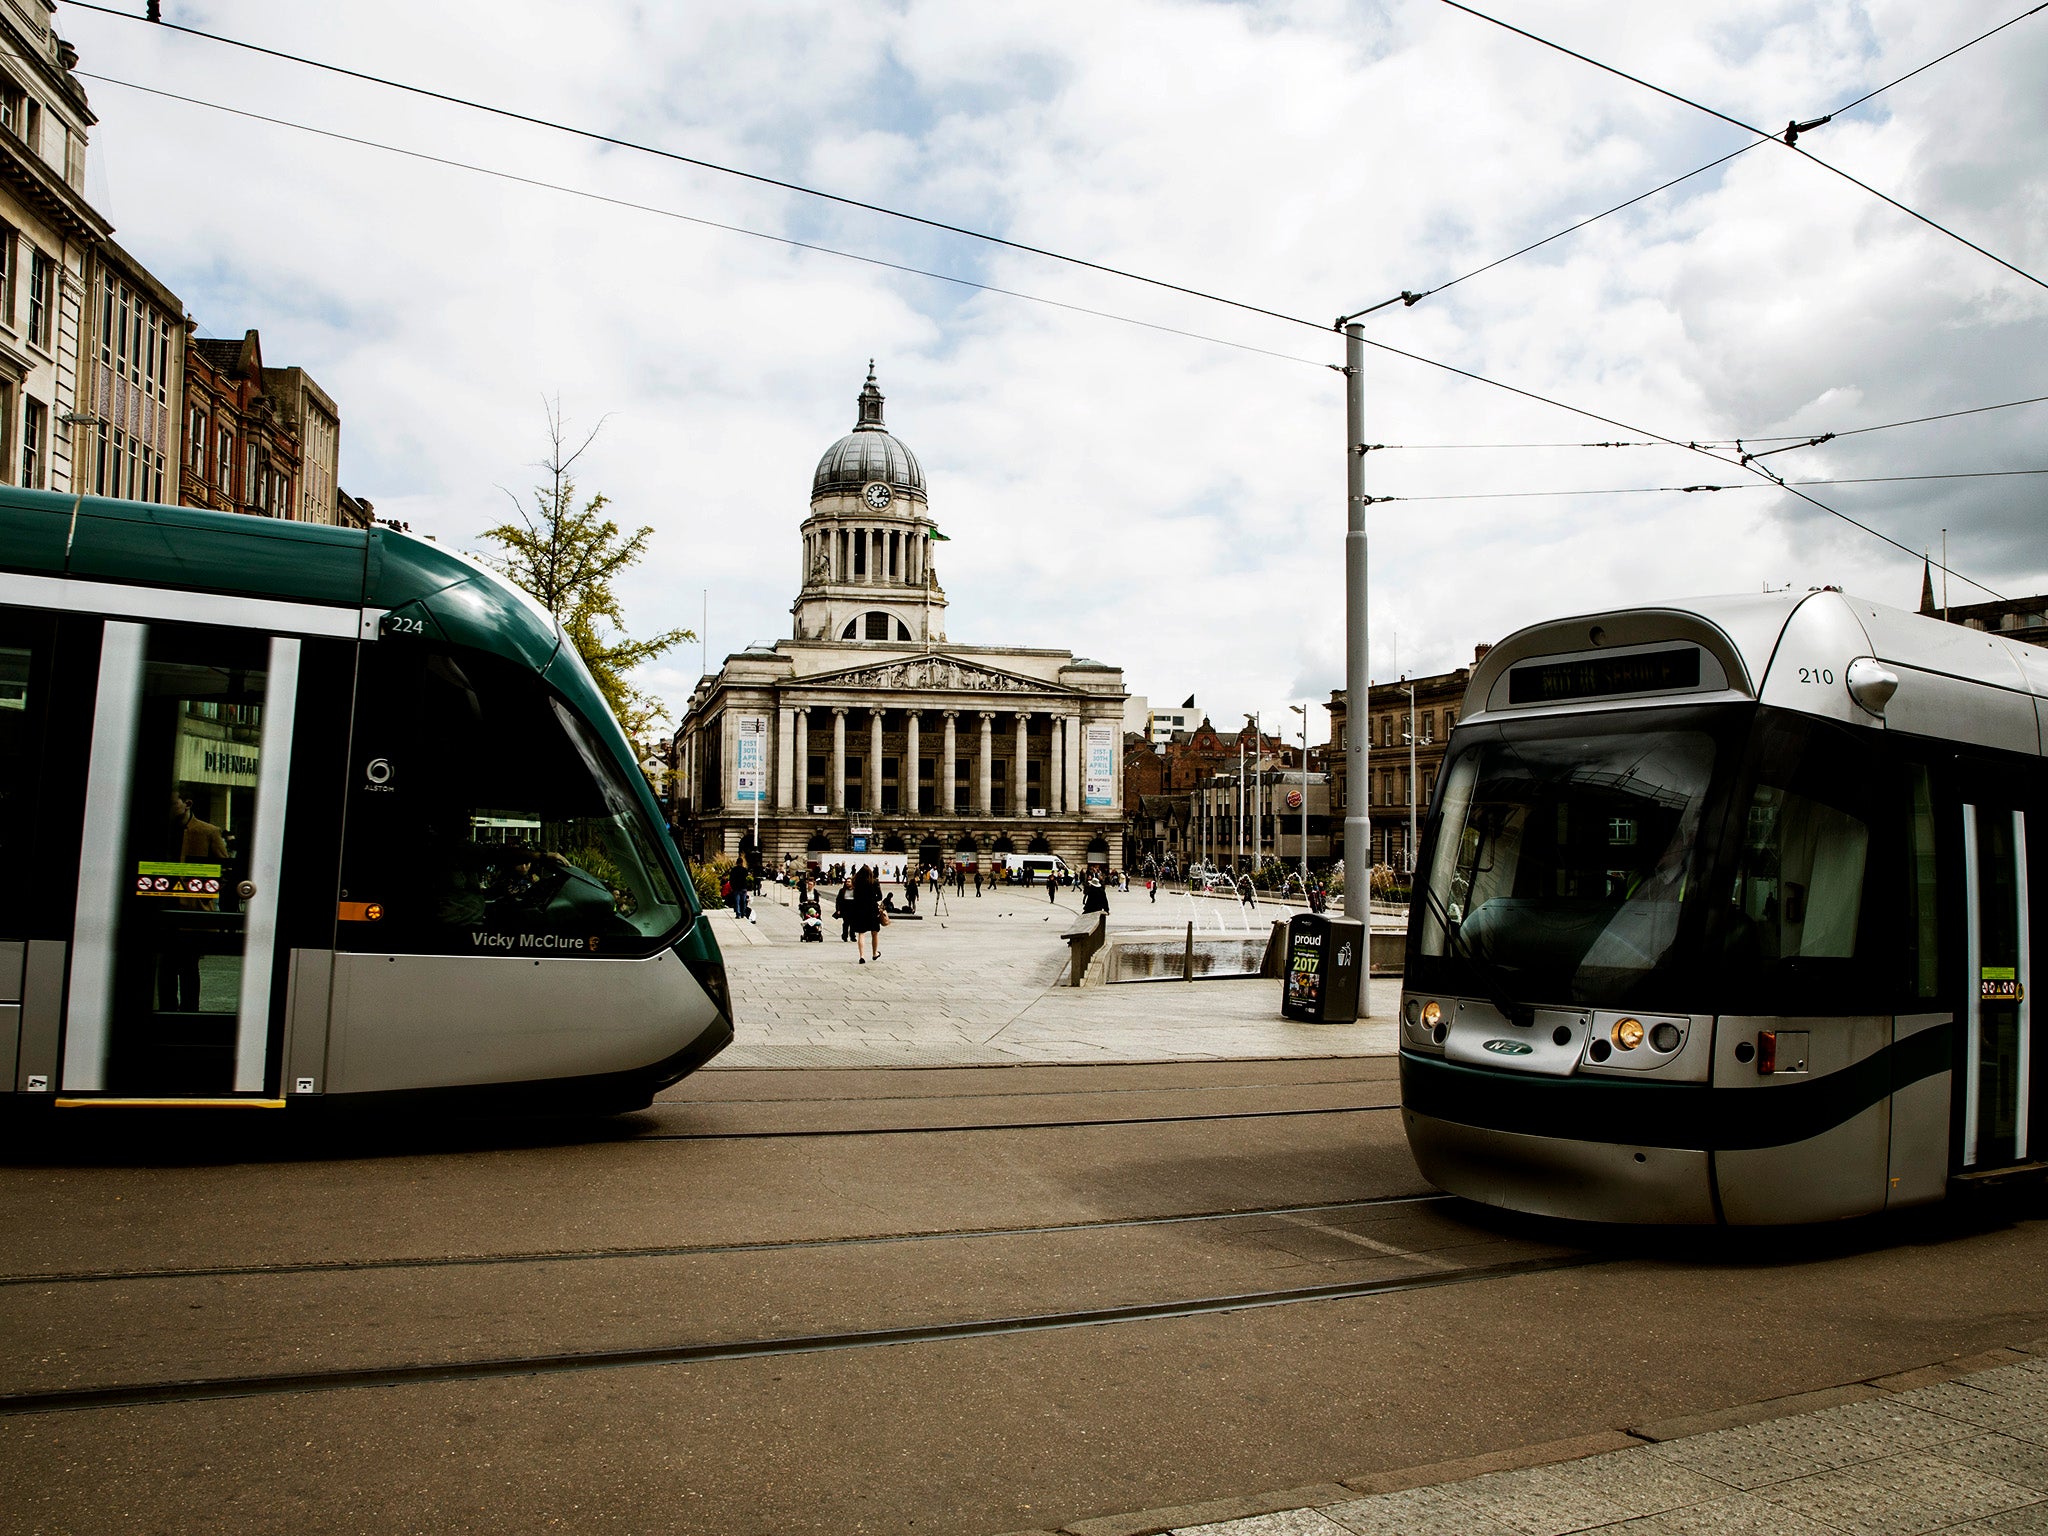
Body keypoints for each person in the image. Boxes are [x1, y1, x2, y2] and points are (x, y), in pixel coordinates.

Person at [159, 786, 230, 1011]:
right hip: (165, 910)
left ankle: (190, 1011)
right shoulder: (166, 831)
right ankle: (167, 1011)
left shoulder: (207, 831)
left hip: (193, 913)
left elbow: (225, 869)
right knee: (167, 967)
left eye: (173, 803)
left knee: (189, 966)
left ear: (187, 804)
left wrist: (204, 891)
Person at [850, 865, 884, 962]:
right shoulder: (874, 882)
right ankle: (874, 953)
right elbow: (880, 896)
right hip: (872, 909)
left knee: (861, 933)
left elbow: (855, 897)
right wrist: (872, 899)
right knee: (874, 933)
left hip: (860, 909)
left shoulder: (856, 883)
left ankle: (862, 956)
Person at [834, 876, 855, 942]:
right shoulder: (842, 890)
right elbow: (838, 900)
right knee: (846, 923)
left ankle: (852, 936)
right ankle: (844, 936)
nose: (847, 883)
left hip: (853, 909)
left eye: (849, 882)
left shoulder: (855, 890)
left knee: (853, 923)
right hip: (845, 909)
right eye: (847, 882)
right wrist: (838, 909)